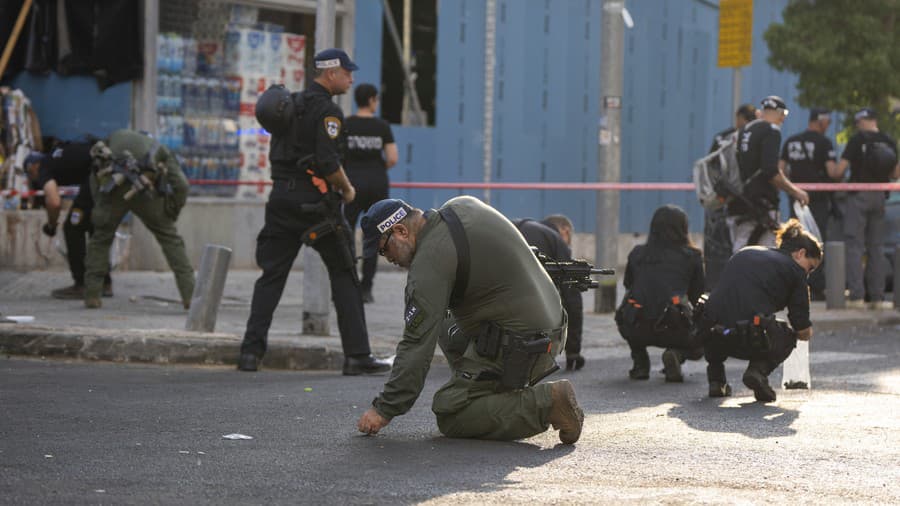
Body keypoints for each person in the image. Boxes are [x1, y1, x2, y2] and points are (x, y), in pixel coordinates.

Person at [355, 196, 584, 444]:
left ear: (400, 231)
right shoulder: (461, 205)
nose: (386, 257)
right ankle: (487, 388)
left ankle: (547, 403)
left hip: (526, 344)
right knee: (442, 323)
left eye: (383, 248)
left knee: (451, 412)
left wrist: (384, 409)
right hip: (551, 325)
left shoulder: (429, 264)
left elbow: (416, 344)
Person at [237, 49, 391, 375]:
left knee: (271, 277)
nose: (351, 79)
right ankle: (357, 356)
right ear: (331, 73)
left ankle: (250, 353)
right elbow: (327, 162)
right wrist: (348, 190)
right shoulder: (328, 112)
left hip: (280, 201)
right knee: (346, 275)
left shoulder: (287, 106)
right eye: (347, 72)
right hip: (316, 208)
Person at [699, 219, 821, 402]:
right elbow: (801, 327)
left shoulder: (745, 252)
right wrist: (806, 333)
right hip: (747, 336)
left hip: (710, 331)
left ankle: (716, 380)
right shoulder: (795, 272)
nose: (808, 274)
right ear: (800, 253)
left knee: (719, 317)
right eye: (810, 267)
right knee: (787, 336)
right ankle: (758, 371)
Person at [83, 129, 195, 309]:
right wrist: (171, 210)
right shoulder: (160, 149)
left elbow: (95, 174)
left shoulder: (113, 139)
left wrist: (101, 205)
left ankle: (92, 296)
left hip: (113, 192)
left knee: (101, 239)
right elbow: (182, 185)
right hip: (147, 194)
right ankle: (190, 297)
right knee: (171, 241)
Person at [615, 205, 705, 383]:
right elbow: (697, 295)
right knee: (703, 330)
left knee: (626, 310)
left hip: (637, 326)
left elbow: (628, 285)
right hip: (674, 326)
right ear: (683, 229)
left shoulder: (637, 253)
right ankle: (677, 354)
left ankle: (640, 362)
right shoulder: (692, 256)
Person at [827, 108, 899, 310]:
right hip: (881, 197)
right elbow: (895, 173)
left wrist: (832, 171)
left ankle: (857, 296)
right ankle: (877, 298)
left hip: (858, 195)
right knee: (876, 247)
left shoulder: (857, 140)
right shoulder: (888, 140)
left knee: (854, 246)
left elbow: (839, 171)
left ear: (861, 121)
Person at [25, 142, 113, 299]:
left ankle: (81, 284)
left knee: (73, 227)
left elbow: (54, 202)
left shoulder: (44, 167)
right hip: (107, 172)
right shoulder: (56, 156)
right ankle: (104, 283)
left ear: (33, 166)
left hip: (97, 173)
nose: (34, 178)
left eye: (30, 173)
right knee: (94, 227)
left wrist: (51, 225)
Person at [727, 95, 809, 253]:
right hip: (761, 203)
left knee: (740, 249)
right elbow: (771, 171)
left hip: (739, 200)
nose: (783, 120)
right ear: (778, 112)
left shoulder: (743, 131)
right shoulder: (771, 131)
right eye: (784, 115)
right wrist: (796, 191)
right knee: (766, 252)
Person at [342, 83, 398, 304]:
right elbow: (393, 158)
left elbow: (338, 156)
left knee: (346, 231)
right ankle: (367, 288)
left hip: (351, 184)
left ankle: (348, 281)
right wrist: (376, 169)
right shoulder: (382, 126)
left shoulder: (346, 124)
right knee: (374, 235)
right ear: (372, 100)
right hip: (376, 184)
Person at [778, 107, 837, 300]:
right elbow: (832, 171)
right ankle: (816, 288)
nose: (828, 126)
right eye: (827, 122)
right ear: (819, 121)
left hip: (795, 197)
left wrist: (791, 187)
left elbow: (780, 170)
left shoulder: (792, 141)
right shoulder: (824, 143)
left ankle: (793, 283)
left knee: (796, 240)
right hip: (817, 199)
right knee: (816, 241)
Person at [514, 214, 585, 371]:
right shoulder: (555, 239)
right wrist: (573, 351)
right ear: (565, 231)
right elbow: (572, 299)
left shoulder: (516, 226)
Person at [704, 104, 756, 290]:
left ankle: (720, 283)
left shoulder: (724, 137)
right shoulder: (745, 139)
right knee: (739, 243)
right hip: (744, 200)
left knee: (720, 244)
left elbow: (711, 167)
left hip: (721, 198)